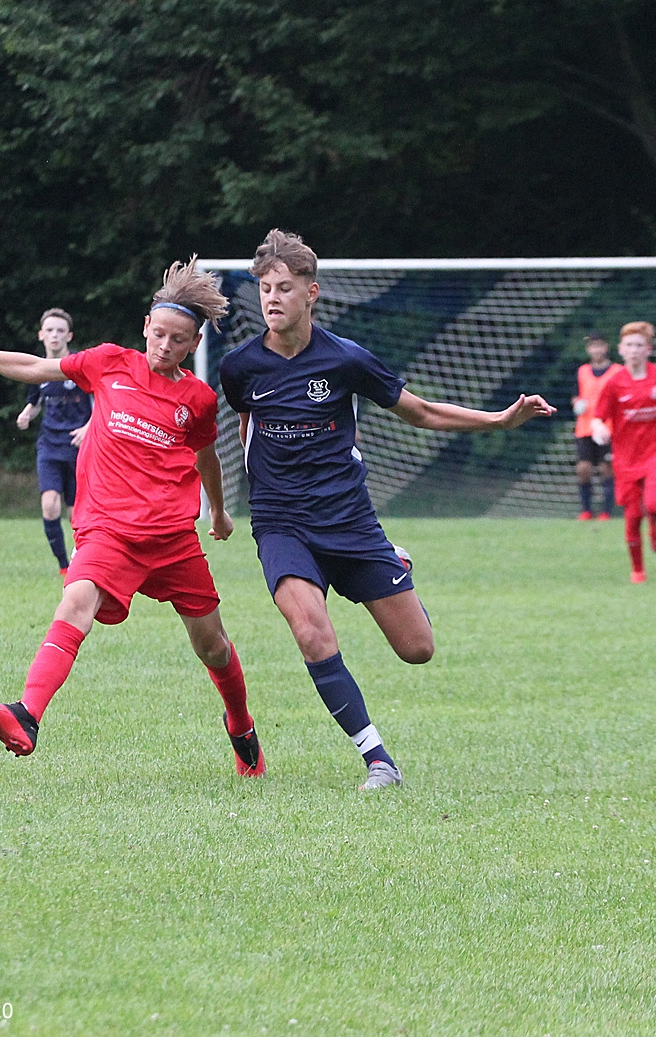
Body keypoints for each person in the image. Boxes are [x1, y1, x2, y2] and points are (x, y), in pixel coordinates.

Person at [218, 229, 555, 791]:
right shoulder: (240, 367)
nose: (271, 299)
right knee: (310, 631)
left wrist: (499, 420)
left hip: (349, 521)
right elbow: (242, 423)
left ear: (312, 292)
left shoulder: (346, 359)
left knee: (417, 650)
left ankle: (392, 561)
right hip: (281, 523)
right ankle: (379, 760)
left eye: (284, 288)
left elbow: (420, 413)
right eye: (264, 289)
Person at [0, 259, 263, 778]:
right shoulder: (109, 363)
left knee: (212, 645)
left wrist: (218, 511)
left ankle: (240, 727)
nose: (165, 345)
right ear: (146, 326)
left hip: (172, 538)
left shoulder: (197, 399)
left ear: (193, 346)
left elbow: (206, 458)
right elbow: (33, 368)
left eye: (178, 340)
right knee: (75, 601)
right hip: (107, 529)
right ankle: (25, 716)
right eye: (159, 333)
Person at [591, 321, 656, 584]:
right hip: (625, 459)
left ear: (649, 349)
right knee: (633, 516)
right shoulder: (614, 383)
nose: (634, 350)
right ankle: (638, 570)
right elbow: (597, 417)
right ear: (621, 350)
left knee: (655, 504)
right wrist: (598, 429)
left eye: (639, 345)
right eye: (629, 345)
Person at [14, 308, 92, 575]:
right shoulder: (38, 369)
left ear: (69, 335)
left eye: (60, 330)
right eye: (50, 330)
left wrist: (88, 428)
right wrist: (27, 414)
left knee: (76, 514)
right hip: (49, 445)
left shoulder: (80, 366)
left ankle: (84, 562)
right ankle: (63, 566)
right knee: (49, 504)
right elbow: (35, 402)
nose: (55, 335)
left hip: (79, 446)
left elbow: (104, 401)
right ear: (41, 335)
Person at [572, 332, 620, 520]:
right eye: (593, 346)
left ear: (606, 347)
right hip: (585, 427)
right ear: (588, 349)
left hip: (609, 428)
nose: (597, 349)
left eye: (600, 345)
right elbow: (576, 395)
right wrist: (577, 404)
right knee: (583, 469)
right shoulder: (582, 370)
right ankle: (586, 510)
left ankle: (606, 512)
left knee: (606, 468)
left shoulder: (617, 371)